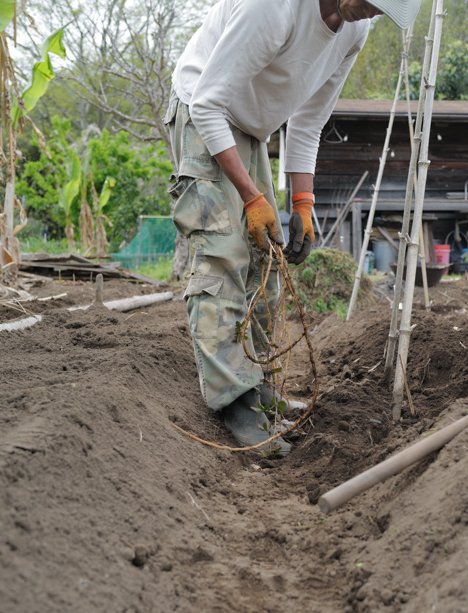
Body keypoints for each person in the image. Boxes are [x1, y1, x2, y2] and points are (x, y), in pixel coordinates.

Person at [166, 0, 422, 456]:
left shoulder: (354, 28)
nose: (369, 14)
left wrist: (302, 202)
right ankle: (235, 401)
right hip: (202, 112)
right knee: (223, 253)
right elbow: (207, 102)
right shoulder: (274, 8)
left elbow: (308, 122)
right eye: (368, 3)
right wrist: (252, 196)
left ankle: (259, 386)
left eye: (379, 11)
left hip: (250, 130)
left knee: (265, 262)